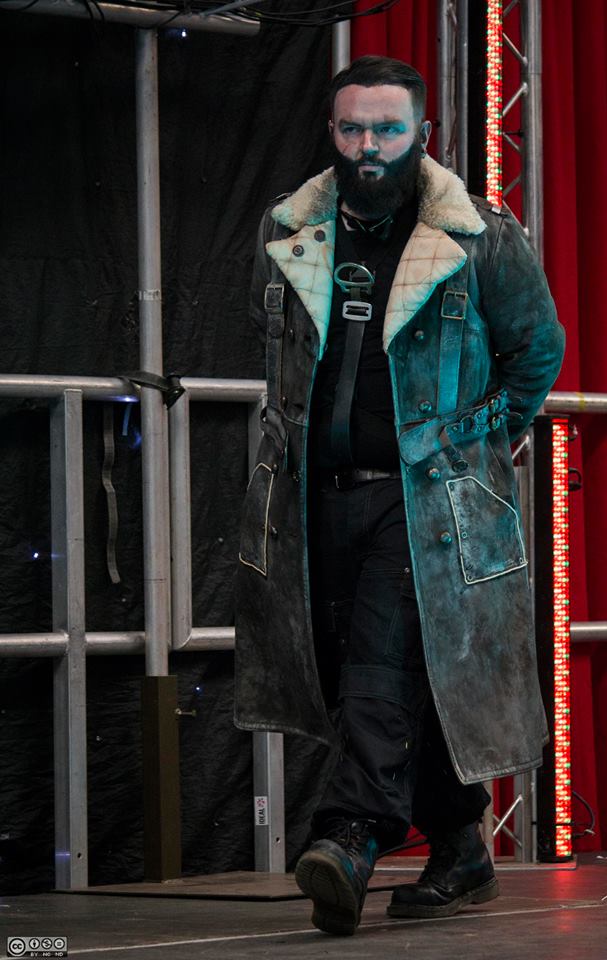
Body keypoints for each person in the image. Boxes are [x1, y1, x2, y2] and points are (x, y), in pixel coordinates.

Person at [235, 55, 565, 936]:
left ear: (423, 133)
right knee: (349, 670)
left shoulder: (478, 236)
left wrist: (473, 438)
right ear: (332, 133)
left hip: (427, 500)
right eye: (353, 128)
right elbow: (272, 341)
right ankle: (460, 845)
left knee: (381, 665)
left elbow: (538, 349)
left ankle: (349, 836)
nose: (368, 146)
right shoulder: (291, 229)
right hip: (315, 497)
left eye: (387, 128)